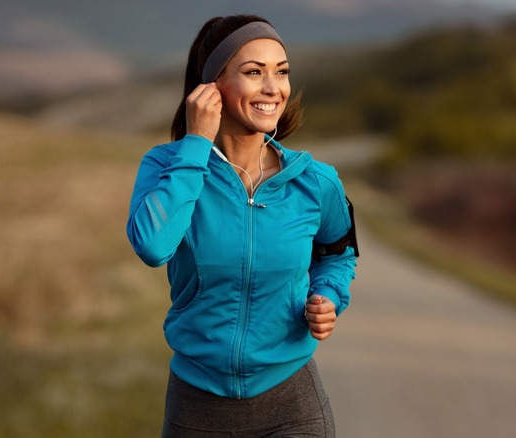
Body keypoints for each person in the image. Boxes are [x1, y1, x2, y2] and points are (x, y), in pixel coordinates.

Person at [126, 14, 358, 437]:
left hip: (292, 404)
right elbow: (153, 246)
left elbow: (338, 254)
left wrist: (327, 296)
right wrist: (196, 145)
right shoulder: (166, 166)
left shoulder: (316, 181)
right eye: (254, 72)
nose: (274, 88)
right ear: (211, 87)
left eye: (281, 72)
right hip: (196, 407)